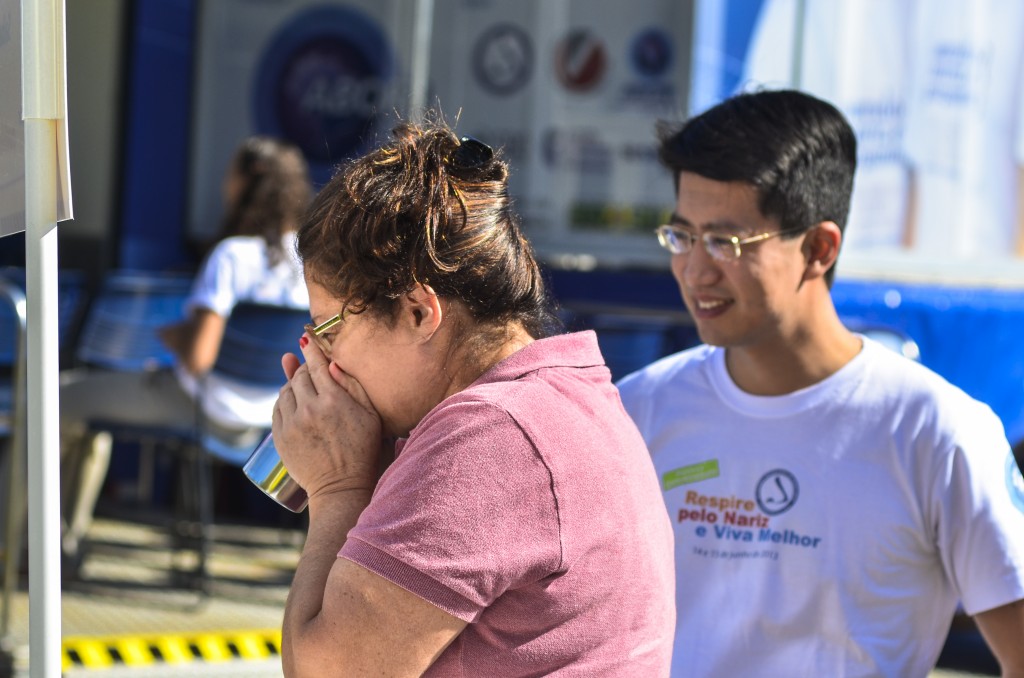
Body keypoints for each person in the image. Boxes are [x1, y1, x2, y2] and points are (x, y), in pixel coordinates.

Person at [616, 89, 1024, 676]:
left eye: (726, 243)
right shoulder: (638, 411)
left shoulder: (936, 431)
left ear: (818, 247)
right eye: (682, 236)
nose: (696, 269)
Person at [271, 119, 675, 676]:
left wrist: (336, 488)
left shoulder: (494, 435)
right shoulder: (556, 401)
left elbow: (332, 672)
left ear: (418, 310)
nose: (323, 358)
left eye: (330, 327)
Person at [59, 136, 313, 568]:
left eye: (231, 174)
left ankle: (39, 543)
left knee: (58, 401)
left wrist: (176, 336)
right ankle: (58, 541)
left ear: (246, 183)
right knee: (84, 422)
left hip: (205, 407)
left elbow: (199, 359)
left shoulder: (231, 255)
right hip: (272, 419)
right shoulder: (309, 259)